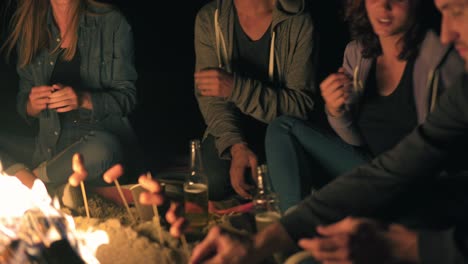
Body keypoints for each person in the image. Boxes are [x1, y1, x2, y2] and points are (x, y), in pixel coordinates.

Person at [188, 0, 468, 262]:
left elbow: (418, 167)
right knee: (264, 145)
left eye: (456, 10)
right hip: (376, 167)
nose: (447, 34)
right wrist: (336, 112)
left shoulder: (444, 63)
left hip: (420, 186)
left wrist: (408, 245)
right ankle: (297, 234)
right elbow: (381, 159)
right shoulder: (359, 53)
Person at [265, 0, 465, 212]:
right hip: (368, 167)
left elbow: (448, 152)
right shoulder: (358, 53)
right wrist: (336, 109)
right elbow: (353, 140)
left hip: (414, 180)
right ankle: (294, 225)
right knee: (282, 128)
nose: (383, 6)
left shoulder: (441, 60)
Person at [0, 0, 144, 197]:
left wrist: (82, 99)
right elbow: (22, 103)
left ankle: (32, 184)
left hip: (95, 148)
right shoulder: (32, 25)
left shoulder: (111, 21)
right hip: (48, 149)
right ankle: (47, 184)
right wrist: (31, 105)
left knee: (105, 148)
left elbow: (127, 97)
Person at [194, 0, 317, 201]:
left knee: (284, 189)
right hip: (234, 127)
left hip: (281, 131)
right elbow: (212, 100)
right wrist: (235, 145)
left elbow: (301, 106)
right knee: (211, 183)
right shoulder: (210, 17)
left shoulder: (297, 20)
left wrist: (235, 88)